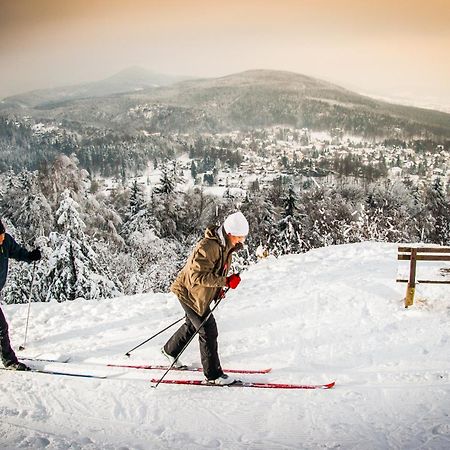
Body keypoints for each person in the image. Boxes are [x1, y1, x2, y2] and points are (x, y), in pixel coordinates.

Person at [162, 211, 249, 385]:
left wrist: (218, 290)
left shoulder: (226, 246)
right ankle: (213, 375)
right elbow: (197, 277)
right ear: (230, 234)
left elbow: (213, 272)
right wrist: (225, 281)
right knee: (208, 329)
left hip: (198, 294)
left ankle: (169, 351)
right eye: (240, 237)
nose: (242, 241)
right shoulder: (208, 246)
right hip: (189, 293)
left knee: (192, 325)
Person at [0, 219, 41, 370]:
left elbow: (17, 252)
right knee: (1, 327)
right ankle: (9, 361)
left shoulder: (5, 241)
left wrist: (30, 256)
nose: (2, 238)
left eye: (2, 235)